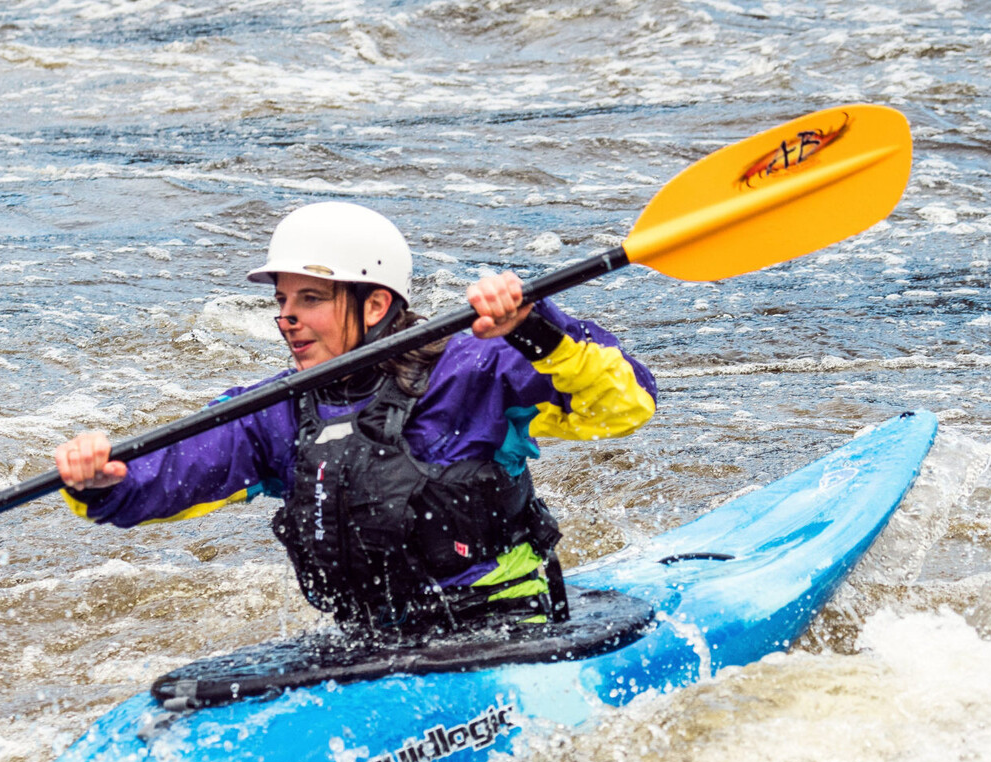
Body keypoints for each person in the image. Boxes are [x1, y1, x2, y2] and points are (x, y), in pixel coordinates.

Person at [52, 202, 657, 634]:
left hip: (504, 624)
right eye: (281, 301)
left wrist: (535, 329)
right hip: (370, 638)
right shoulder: (279, 411)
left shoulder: (474, 371)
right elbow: (177, 469)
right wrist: (104, 481)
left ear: (375, 304)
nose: (287, 318)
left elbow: (625, 404)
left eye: (310, 299)